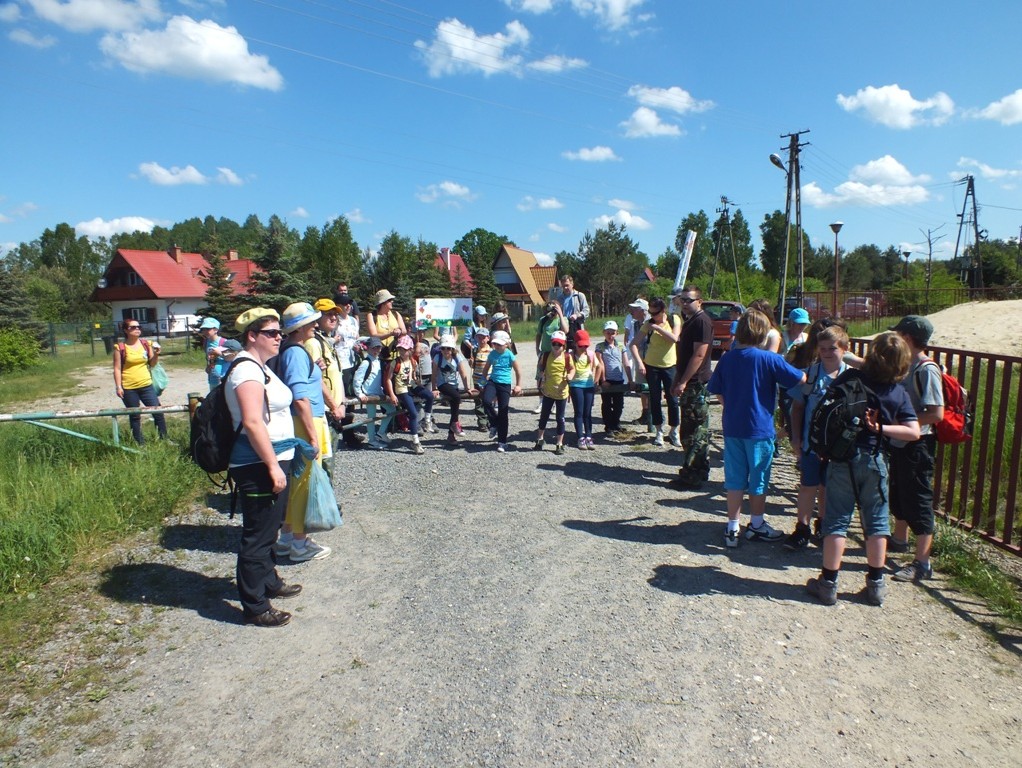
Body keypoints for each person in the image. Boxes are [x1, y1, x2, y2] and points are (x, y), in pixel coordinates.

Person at [806, 332, 920, 607]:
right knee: (877, 523)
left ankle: (828, 584)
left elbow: (828, 405)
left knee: (837, 521)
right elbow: (913, 432)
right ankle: (876, 586)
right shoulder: (897, 392)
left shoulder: (851, 378)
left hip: (841, 459)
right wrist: (880, 428)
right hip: (875, 459)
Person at [225, 308, 302, 628]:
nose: (278, 337)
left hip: (270, 458)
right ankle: (255, 605)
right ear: (252, 336)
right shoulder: (247, 371)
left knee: (271, 526)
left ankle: (269, 580)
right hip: (257, 463)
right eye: (271, 333)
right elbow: (253, 422)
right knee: (258, 533)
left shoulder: (260, 367)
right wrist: (272, 466)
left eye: (279, 332)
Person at [707, 309, 806, 547]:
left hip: (733, 427)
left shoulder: (727, 358)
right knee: (759, 479)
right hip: (759, 429)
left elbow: (717, 390)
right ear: (763, 333)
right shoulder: (769, 359)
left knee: (734, 479)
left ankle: (732, 527)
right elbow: (799, 379)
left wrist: (731, 406)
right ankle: (757, 524)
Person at [887, 315, 944, 583]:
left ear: (907, 338)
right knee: (899, 492)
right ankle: (899, 540)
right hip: (901, 441)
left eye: (898, 334)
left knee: (918, 499)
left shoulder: (926, 370)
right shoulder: (906, 364)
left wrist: (903, 422)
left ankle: (922, 563)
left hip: (918, 444)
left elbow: (936, 413)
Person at [273, 302, 331, 563]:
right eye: (311, 322)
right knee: (304, 484)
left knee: (298, 483)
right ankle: (300, 543)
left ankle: (287, 538)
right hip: (305, 422)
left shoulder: (292, 350)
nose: (316, 325)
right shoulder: (296, 353)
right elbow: (299, 397)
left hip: (302, 421)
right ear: (299, 328)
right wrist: (312, 436)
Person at [784, 324, 850, 550]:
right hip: (811, 443)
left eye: (833, 348)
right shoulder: (811, 374)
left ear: (844, 348)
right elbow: (797, 407)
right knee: (807, 485)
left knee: (827, 487)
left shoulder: (851, 377)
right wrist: (795, 438)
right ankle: (802, 528)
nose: (827, 353)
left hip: (838, 447)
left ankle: (823, 523)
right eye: (823, 349)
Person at [670, 287, 714, 487]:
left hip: (696, 384)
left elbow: (699, 354)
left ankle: (692, 475)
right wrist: (678, 378)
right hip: (690, 382)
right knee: (693, 431)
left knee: (693, 432)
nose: (685, 303)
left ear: (699, 301)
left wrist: (684, 381)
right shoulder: (690, 321)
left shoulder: (701, 321)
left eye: (689, 300)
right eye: (682, 300)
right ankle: (697, 471)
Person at [308, 299, 354, 453]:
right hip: (324, 412)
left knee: (329, 459)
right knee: (324, 460)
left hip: (333, 411)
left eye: (335, 314)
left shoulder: (326, 342)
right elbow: (316, 379)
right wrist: (335, 407)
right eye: (328, 314)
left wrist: (342, 403)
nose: (334, 317)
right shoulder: (313, 343)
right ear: (317, 317)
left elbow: (337, 375)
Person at [112, 320, 167, 445]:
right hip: (128, 387)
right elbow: (117, 368)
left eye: (138, 326)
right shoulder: (120, 348)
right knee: (135, 415)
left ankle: (164, 439)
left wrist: (156, 354)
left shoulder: (146, 344)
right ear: (126, 330)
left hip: (146, 385)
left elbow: (152, 364)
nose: (137, 329)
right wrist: (118, 386)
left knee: (158, 412)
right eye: (133, 327)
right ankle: (139, 443)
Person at [637, 297, 681, 447]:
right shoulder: (648, 324)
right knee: (655, 399)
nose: (652, 316)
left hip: (670, 365)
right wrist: (639, 362)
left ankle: (674, 431)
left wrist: (657, 328)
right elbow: (633, 344)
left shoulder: (674, 319)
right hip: (652, 365)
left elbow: (674, 338)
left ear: (663, 310)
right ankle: (659, 431)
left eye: (655, 313)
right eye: (650, 312)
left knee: (673, 400)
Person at [383, 334, 431, 454]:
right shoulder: (395, 363)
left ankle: (427, 420)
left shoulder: (413, 361)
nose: (401, 352)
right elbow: (388, 379)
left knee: (429, 396)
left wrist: (418, 383)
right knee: (413, 414)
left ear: (410, 350)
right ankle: (415, 441)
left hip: (411, 386)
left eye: (404, 349)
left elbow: (413, 377)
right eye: (400, 349)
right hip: (401, 389)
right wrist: (392, 394)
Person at [480, 329, 523, 452]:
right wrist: (482, 383)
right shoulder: (492, 354)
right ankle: (494, 423)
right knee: (486, 401)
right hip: (493, 382)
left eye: (499, 344)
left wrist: (518, 385)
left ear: (506, 344)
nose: (497, 346)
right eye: (495, 344)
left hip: (505, 384)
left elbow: (518, 371)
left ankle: (502, 442)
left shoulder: (509, 355)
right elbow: (485, 369)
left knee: (503, 412)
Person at [534, 329, 573, 455]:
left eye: (559, 344)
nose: (556, 346)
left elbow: (572, 369)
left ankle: (559, 443)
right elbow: (540, 365)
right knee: (544, 416)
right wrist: (541, 372)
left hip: (561, 393)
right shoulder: (546, 355)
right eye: (554, 344)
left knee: (560, 418)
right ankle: (540, 439)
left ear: (564, 345)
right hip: (548, 392)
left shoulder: (567, 357)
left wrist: (570, 376)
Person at [431, 335, 475, 444]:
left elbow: (463, 373)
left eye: (448, 348)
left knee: (454, 410)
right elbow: (434, 374)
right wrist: (434, 388)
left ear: (452, 349)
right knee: (456, 397)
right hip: (442, 384)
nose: (446, 351)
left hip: (454, 385)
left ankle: (451, 435)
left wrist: (467, 388)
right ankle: (455, 424)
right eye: (443, 348)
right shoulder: (437, 358)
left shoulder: (457, 357)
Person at [354, 337, 395, 449]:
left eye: (378, 347)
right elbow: (357, 379)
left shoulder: (378, 361)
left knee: (391, 409)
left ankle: (380, 433)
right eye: (374, 348)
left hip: (377, 392)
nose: (376, 350)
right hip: (368, 394)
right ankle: (372, 440)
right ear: (368, 348)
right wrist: (359, 394)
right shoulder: (366, 362)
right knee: (371, 418)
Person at [595, 320, 630, 435]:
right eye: (608, 333)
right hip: (607, 380)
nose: (610, 335)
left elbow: (626, 362)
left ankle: (616, 423)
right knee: (607, 404)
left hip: (618, 379)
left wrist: (630, 379)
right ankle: (608, 426)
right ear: (604, 333)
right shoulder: (600, 347)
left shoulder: (621, 346)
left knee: (619, 404)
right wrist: (603, 379)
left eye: (613, 333)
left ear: (616, 333)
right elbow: (600, 363)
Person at [533, 301, 568, 414]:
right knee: (541, 376)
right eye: (550, 308)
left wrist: (560, 314)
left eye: (554, 309)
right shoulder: (543, 320)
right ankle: (541, 401)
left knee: (556, 376)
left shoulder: (563, 319)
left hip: (558, 353)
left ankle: (555, 403)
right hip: (545, 352)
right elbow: (539, 334)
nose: (552, 311)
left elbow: (565, 331)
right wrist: (537, 349)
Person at [568, 329, 600, 450]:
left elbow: (599, 367)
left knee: (588, 413)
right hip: (576, 386)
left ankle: (589, 436)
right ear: (575, 344)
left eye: (586, 346)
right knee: (579, 412)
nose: (583, 348)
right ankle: (580, 437)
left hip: (589, 386)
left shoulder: (590, 354)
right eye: (581, 346)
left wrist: (596, 381)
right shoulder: (570, 356)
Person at [625, 298, 650, 425]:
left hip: (652, 358)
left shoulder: (652, 322)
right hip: (640, 357)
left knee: (653, 387)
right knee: (642, 387)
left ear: (642, 310)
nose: (632, 311)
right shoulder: (635, 324)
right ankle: (645, 413)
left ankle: (653, 414)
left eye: (635, 309)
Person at [331, 294, 361, 399]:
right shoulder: (334, 320)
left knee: (350, 389)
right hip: (339, 359)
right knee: (341, 389)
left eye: (349, 304)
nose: (348, 306)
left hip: (352, 359)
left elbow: (356, 337)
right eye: (345, 304)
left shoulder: (353, 320)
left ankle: (349, 408)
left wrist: (358, 346)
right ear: (338, 306)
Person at [555, 275, 590, 351]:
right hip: (564, 326)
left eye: (567, 285)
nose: (565, 288)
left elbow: (586, 310)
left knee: (579, 349)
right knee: (564, 349)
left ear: (572, 284)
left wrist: (577, 315)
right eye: (563, 286)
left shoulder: (579, 296)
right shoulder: (559, 298)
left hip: (577, 326)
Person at [366, 289, 406, 354]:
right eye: (389, 300)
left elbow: (404, 331)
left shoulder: (396, 314)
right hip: (378, 354)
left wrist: (399, 331)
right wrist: (390, 334)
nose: (392, 301)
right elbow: (373, 335)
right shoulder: (372, 316)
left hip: (395, 354)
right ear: (383, 303)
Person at [470, 326, 492, 432]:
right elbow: (473, 366)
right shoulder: (474, 350)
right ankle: (482, 422)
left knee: (488, 401)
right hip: (477, 379)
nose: (481, 339)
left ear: (488, 338)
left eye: (483, 337)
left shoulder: (492, 351)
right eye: (479, 337)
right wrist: (471, 362)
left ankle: (490, 420)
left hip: (488, 379)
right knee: (478, 401)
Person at [200, 317, 230, 391]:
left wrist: (219, 353)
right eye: (203, 329)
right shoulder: (206, 342)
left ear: (215, 330)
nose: (205, 331)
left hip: (223, 375)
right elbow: (208, 357)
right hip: (212, 375)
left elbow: (231, 357)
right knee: (213, 394)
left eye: (208, 329)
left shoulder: (223, 342)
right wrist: (208, 366)